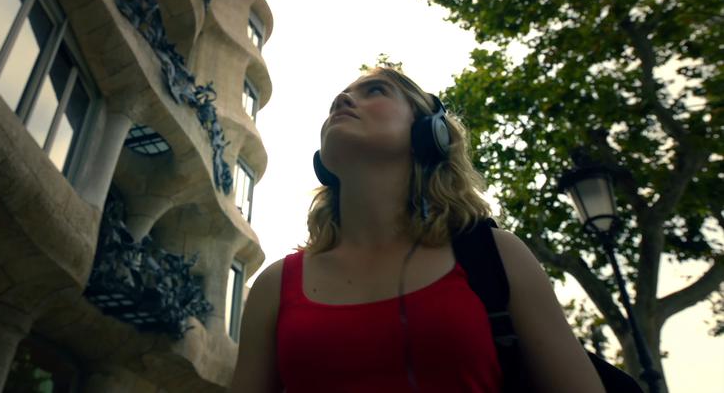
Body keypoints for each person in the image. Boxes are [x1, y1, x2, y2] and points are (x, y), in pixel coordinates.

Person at [228, 67, 606, 392]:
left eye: (375, 90)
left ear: (430, 133)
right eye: (338, 100)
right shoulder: (275, 285)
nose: (343, 99)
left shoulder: (496, 256)